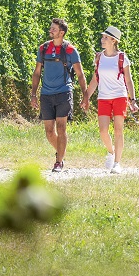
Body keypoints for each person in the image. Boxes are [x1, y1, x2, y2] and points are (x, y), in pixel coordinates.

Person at [30, 18, 87, 172]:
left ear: (61, 32)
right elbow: (37, 73)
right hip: (46, 94)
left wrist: (85, 95)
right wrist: (33, 94)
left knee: (61, 128)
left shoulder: (70, 50)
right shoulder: (43, 48)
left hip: (64, 92)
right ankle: (61, 153)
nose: (51, 31)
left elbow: (80, 74)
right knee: (49, 132)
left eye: (54, 29)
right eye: (51, 28)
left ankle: (59, 162)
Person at [81, 25, 138, 174]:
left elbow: (129, 80)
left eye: (105, 38)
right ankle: (111, 152)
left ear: (114, 40)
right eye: (102, 37)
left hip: (119, 96)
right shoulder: (99, 57)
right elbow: (95, 80)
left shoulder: (122, 58)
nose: (102, 40)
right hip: (103, 97)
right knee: (103, 131)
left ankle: (117, 163)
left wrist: (132, 100)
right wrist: (86, 97)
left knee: (119, 130)